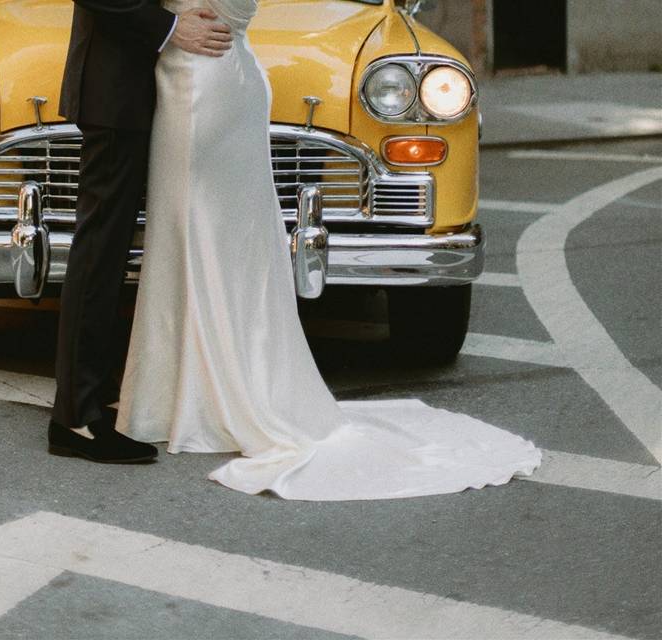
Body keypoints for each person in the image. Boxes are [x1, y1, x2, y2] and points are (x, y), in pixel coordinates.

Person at [113, 0, 543, 500]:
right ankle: (187, 390)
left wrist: (167, 24)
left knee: (203, 236)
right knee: (202, 238)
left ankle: (199, 394)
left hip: (203, 82)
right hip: (209, 76)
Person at [49, 0, 234, 463]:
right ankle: (75, 416)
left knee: (110, 252)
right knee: (100, 252)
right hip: (116, 89)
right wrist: (171, 27)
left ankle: (101, 397)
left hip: (156, 90)